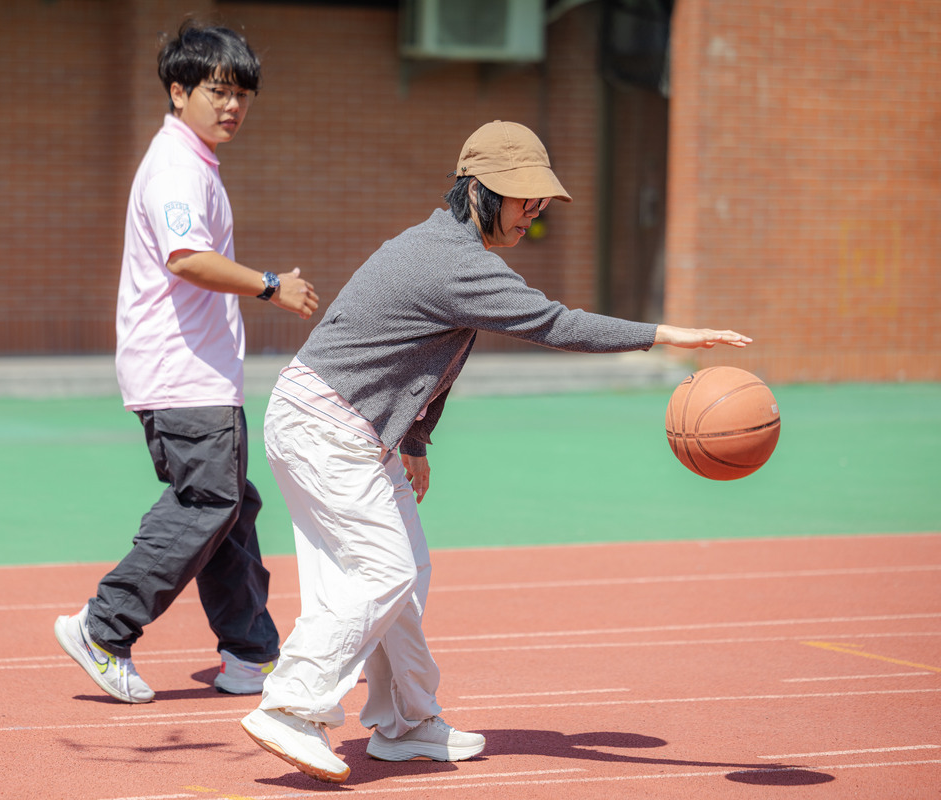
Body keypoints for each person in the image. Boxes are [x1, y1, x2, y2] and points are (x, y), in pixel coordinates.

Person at [240, 120, 750, 782]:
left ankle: (406, 723)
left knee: (406, 576)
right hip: (326, 426)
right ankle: (291, 705)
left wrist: (416, 437)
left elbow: (434, 349)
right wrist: (666, 333)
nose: (533, 212)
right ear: (478, 189)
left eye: (540, 202)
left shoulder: (449, 250)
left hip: (345, 423)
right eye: (523, 198)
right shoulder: (453, 261)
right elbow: (555, 324)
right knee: (382, 572)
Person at [53, 21, 318, 704]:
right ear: (179, 91)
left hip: (192, 373)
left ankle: (251, 654)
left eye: (242, 94)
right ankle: (105, 627)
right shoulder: (175, 167)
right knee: (209, 502)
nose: (232, 106)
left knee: (229, 506)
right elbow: (187, 258)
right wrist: (269, 285)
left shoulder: (192, 160)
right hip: (182, 375)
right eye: (217, 91)